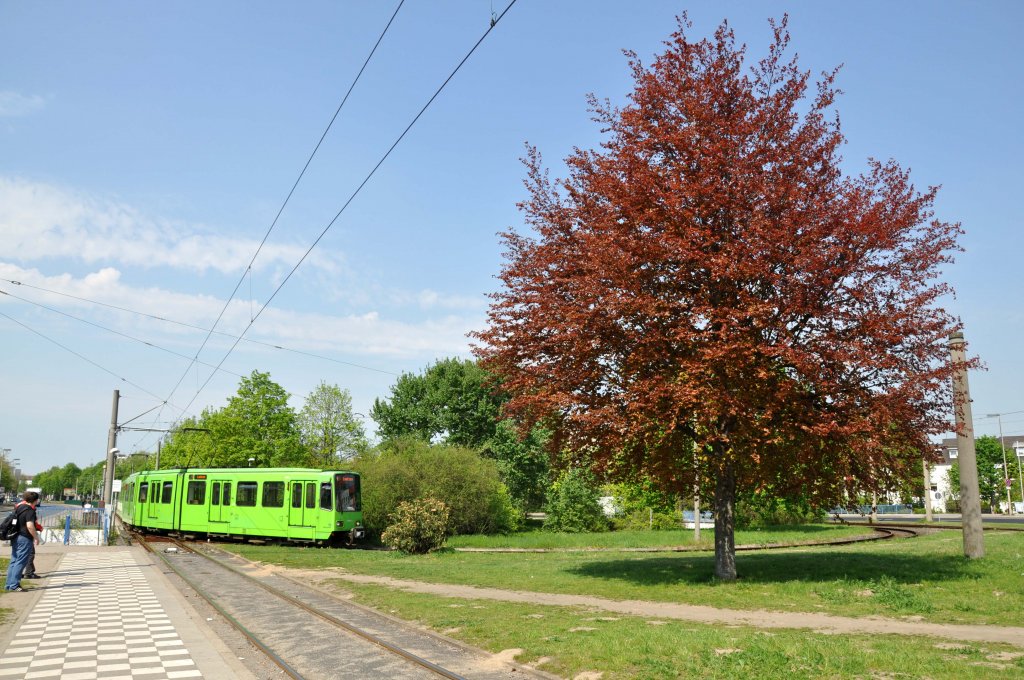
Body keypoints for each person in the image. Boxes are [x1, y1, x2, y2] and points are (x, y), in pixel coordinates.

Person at [5, 491, 40, 592]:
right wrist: (36, 537)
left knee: (14, 561)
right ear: (35, 500)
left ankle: (9, 584)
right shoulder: (30, 511)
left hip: (16, 537)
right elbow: (30, 525)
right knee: (20, 562)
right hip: (25, 538)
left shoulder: (19, 508)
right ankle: (14, 585)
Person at [13, 495, 44, 579]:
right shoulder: (29, 509)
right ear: (35, 500)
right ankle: (28, 573)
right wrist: (37, 533)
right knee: (29, 554)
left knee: (16, 557)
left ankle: (14, 578)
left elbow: (15, 520)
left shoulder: (18, 506)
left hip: (16, 535)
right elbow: (30, 524)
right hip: (25, 535)